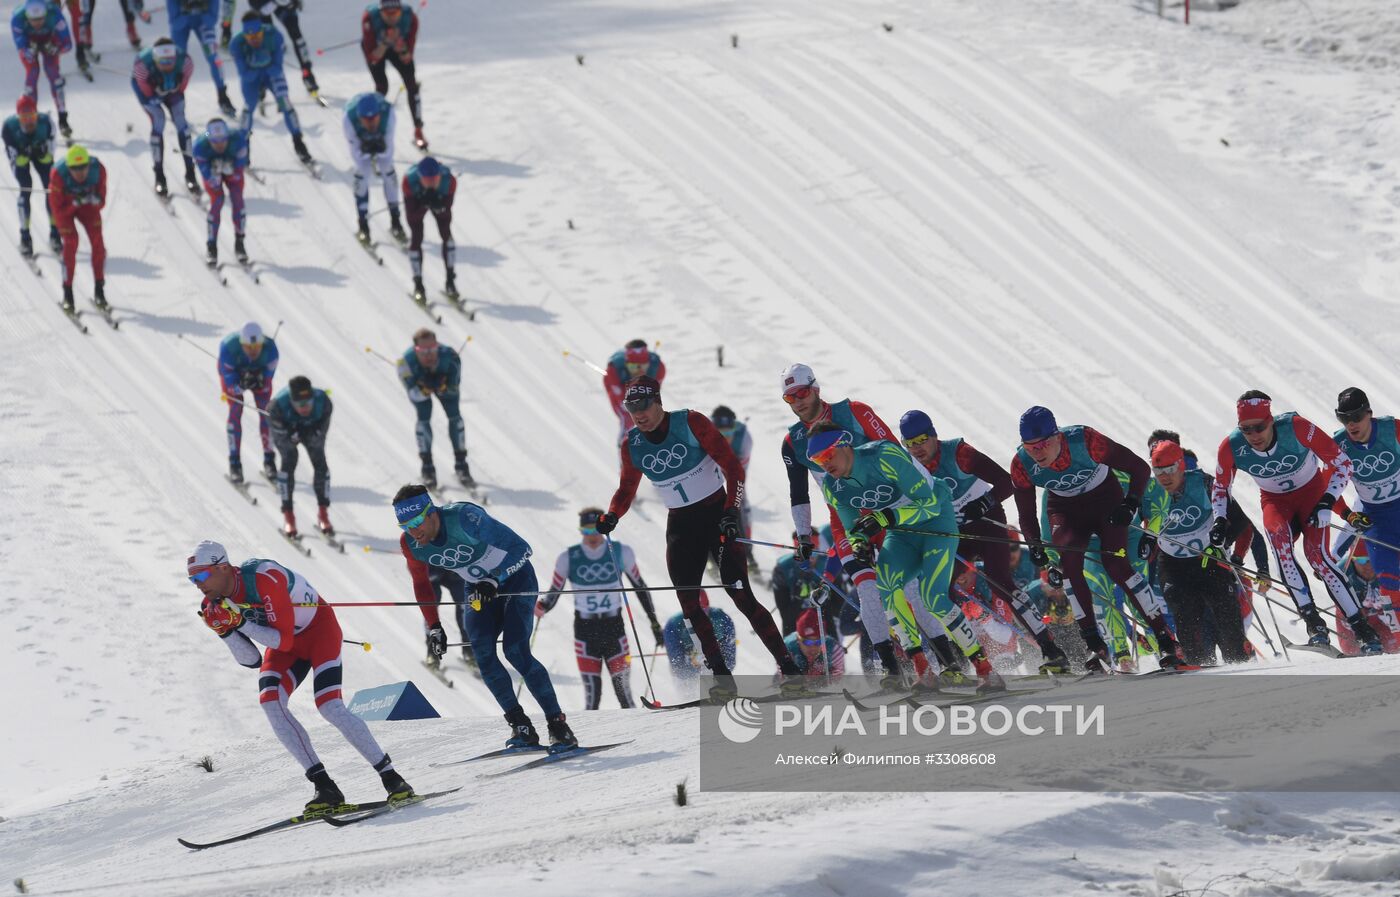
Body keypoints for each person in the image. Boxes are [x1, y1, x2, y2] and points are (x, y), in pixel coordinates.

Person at [597, 376, 802, 698]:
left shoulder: (691, 422)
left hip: (716, 517)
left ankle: (791, 671)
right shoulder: (631, 445)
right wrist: (612, 515)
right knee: (690, 606)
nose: (638, 414)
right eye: (631, 408)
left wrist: (731, 512)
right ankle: (723, 681)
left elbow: (733, 468)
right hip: (680, 526)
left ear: (658, 401)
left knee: (742, 596)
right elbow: (626, 490)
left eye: (644, 406)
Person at [189, 539, 415, 810]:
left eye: (200, 576)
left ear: (223, 567)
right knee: (270, 702)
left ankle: (392, 779)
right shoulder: (213, 603)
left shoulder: (263, 577)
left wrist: (240, 622)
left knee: (329, 706)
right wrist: (224, 632)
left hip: (319, 633)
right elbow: (251, 660)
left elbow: (282, 641)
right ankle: (325, 787)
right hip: (283, 646)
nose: (197, 584)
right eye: (192, 579)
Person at [806, 421, 1004, 690]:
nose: (825, 464)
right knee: (886, 585)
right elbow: (853, 528)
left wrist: (887, 517)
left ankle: (986, 670)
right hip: (901, 532)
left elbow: (930, 504)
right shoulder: (833, 486)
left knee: (933, 597)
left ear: (844, 444)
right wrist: (859, 544)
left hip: (935, 522)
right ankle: (923, 671)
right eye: (817, 460)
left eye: (828, 455)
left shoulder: (883, 455)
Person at [779, 363, 944, 684]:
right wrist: (804, 536)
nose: (798, 401)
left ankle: (950, 661)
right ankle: (894, 672)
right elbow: (798, 493)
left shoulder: (854, 412)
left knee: (911, 588)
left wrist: (922, 499)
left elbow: (898, 455)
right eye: (790, 397)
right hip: (846, 519)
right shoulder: (792, 441)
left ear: (815, 389)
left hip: (888, 506)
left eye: (802, 393)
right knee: (869, 593)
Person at [394, 485, 579, 751]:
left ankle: (558, 725)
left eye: (415, 522)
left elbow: (522, 549)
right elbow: (421, 583)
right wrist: (434, 625)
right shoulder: (410, 544)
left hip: (515, 579)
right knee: (482, 653)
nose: (412, 531)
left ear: (431, 512)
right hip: (478, 587)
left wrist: (494, 578)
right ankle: (520, 726)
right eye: (404, 526)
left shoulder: (464, 518)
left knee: (515, 651)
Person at [1010, 405, 1182, 672]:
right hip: (1065, 508)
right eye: (1030, 447)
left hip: (1104, 499)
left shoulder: (1086, 440)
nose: (1037, 453)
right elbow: (1026, 512)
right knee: (1069, 566)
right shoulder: (1021, 463)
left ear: (1057, 436)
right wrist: (1034, 543)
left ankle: (1166, 641)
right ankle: (1095, 646)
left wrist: (1130, 504)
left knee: (1117, 566)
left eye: (1042, 444)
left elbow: (1139, 468)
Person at [899, 409, 1070, 674]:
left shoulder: (959, 453)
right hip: (955, 533)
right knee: (936, 591)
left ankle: (1051, 649)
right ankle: (959, 661)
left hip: (986, 522)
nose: (916, 448)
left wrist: (984, 503)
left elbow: (1007, 481)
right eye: (909, 443)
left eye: (921, 440)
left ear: (933, 435)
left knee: (1000, 582)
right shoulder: (908, 468)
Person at [1211, 390, 1381, 653]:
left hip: (1311, 494)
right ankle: (1314, 625)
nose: (1254, 435)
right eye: (1246, 429)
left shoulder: (1297, 428)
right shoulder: (1231, 446)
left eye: (1259, 427)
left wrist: (1328, 500)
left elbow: (1343, 464)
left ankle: (1363, 629)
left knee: (1318, 557)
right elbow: (1221, 488)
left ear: (1271, 421)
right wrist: (1219, 520)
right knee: (1279, 544)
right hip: (1276, 502)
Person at [535, 508, 663, 710]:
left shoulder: (621, 552)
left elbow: (640, 587)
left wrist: (653, 622)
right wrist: (543, 606)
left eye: (596, 530)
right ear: (580, 531)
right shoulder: (568, 558)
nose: (592, 536)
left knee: (624, 693)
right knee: (592, 697)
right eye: (586, 531)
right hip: (585, 631)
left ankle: (642, 729)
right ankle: (591, 731)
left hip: (614, 629)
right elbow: (554, 592)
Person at [1151, 440, 1254, 666]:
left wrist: (1221, 547)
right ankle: (1196, 664)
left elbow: (1240, 522)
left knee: (1225, 615)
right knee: (1184, 611)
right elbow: (1134, 526)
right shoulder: (1150, 491)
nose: (1164, 477)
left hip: (1208, 561)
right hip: (1173, 564)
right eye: (1158, 471)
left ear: (1181, 465)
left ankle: (1240, 660)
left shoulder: (1205, 484)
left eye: (1169, 469)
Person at [1332, 387, 1400, 621]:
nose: (1351, 424)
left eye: (1357, 417)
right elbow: (1326, 489)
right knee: (1389, 582)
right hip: (1376, 519)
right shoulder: (1338, 445)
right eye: (1344, 419)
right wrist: (1347, 515)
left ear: (1369, 413)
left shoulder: (1392, 429)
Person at [227, 12, 311, 164]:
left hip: (271, 75)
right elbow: (245, 75)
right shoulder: (236, 44)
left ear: (262, 31)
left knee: (285, 103)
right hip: (253, 78)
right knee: (248, 107)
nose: (254, 40)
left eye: (258, 35)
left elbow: (278, 69)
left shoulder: (274, 36)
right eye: (249, 36)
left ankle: (299, 142)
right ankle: (244, 146)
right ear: (244, 35)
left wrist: (257, 63)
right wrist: (263, 62)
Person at [395, 327, 470, 489]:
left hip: (444, 385)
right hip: (421, 389)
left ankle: (461, 463)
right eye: (423, 351)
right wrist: (424, 389)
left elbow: (454, 388)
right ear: (415, 349)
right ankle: (427, 467)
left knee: (455, 417)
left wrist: (443, 387)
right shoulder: (404, 363)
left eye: (432, 349)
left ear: (438, 345)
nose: (428, 354)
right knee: (423, 417)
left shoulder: (451, 357)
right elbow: (413, 393)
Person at [130, 37, 199, 197]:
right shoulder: (142, 67)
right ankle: (159, 175)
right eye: (163, 62)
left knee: (182, 124)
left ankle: (190, 173)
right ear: (155, 59)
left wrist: (172, 89)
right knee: (159, 120)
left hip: (172, 90)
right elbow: (146, 93)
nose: (167, 65)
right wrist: (155, 94)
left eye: (170, 61)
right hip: (147, 91)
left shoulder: (186, 63)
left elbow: (181, 89)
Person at [269, 375, 333, 540]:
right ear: (292, 401)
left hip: (311, 428)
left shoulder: (323, 402)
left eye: (308, 403)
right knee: (290, 459)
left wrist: (314, 432)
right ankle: (289, 515)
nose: (305, 408)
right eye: (300, 404)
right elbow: (275, 425)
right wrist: (288, 433)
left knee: (320, 463)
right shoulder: (277, 406)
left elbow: (323, 427)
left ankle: (323, 513)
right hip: (287, 431)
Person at [218, 320, 279, 484]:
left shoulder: (271, 351)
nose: (253, 351)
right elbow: (230, 386)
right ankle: (235, 464)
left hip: (259, 372)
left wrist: (260, 380)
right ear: (241, 344)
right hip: (235, 374)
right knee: (235, 409)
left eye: (256, 347)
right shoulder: (228, 348)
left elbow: (267, 381)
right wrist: (241, 385)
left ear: (262, 344)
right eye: (248, 347)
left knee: (266, 412)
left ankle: (269, 460)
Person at [360, 0, 425, 149]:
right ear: (380, 12)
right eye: (387, 14)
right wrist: (385, 43)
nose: (392, 18)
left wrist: (401, 48)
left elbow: (407, 57)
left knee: (412, 85)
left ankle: (418, 129)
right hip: (377, 48)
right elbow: (372, 58)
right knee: (382, 87)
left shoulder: (411, 18)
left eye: (395, 14)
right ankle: (374, 129)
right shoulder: (369, 18)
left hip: (397, 47)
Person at [49, 144, 106, 312]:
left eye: (83, 167)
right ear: (68, 168)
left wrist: (95, 200)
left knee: (98, 242)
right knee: (71, 242)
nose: (80, 173)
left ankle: (99, 289)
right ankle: (67, 292)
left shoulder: (98, 171)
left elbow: (102, 202)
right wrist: (74, 202)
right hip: (66, 206)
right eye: (75, 169)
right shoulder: (58, 176)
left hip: (87, 205)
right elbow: (57, 211)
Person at [221, 0, 318, 96]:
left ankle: (307, 73)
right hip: (261, 4)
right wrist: (226, 28)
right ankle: (262, 79)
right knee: (264, 38)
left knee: (296, 35)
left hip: (281, 4)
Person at [2, 94, 59, 257]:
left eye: (32, 116)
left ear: (37, 114)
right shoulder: (9, 128)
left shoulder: (46, 123)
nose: (29, 122)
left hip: (41, 156)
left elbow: (50, 154)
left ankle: (55, 234)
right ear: (18, 117)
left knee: (51, 190)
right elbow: (15, 160)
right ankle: (25, 237)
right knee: (25, 189)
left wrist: (42, 152)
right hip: (21, 159)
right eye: (24, 118)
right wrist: (24, 154)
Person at [343, 91, 402, 246]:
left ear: (379, 115)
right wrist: (365, 150)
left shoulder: (388, 115)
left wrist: (381, 148)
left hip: (381, 140)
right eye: (366, 120)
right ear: (359, 118)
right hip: (360, 143)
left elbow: (389, 151)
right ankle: (363, 225)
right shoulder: (349, 120)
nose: (371, 124)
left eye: (374, 119)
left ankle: (396, 221)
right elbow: (356, 154)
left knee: (388, 169)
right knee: (362, 173)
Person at [192, 117, 249, 266]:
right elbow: (206, 173)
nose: (220, 145)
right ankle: (211, 246)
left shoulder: (237, 138)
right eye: (215, 142)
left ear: (227, 136)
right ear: (209, 139)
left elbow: (239, 170)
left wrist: (231, 171)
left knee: (238, 200)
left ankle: (240, 242)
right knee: (217, 201)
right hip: (213, 169)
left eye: (223, 141)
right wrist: (214, 177)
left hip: (231, 168)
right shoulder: (200, 144)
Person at [11, 1, 70, 137]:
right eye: (33, 20)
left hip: (50, 41)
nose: (37, 24)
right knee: (32, 73)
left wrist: (56, 49)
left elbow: (68, 44)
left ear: (46, 14)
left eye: (41, 19)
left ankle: (63, 118)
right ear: (27, 17)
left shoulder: (55, 14)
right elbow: (20, 46)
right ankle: (31, 118)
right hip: (29, 43)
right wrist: (28, 50)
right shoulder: (17, 18)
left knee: (53, 74)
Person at [402, 156, 456, 303]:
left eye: (435, 179)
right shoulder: (409, 181)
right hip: (416, 199)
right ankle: (418, 284)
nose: (432, 183)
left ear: (440, 176)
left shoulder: (449, 181)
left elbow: (446, 210)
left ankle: (450, 280)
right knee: (417, 237)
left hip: (438, 197)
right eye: (427, 180)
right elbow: (413, 216)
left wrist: (440, 206)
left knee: (447, 235)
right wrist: (423, 204)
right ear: (420, 178)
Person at [167, 0, 235, 115]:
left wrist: (195, 10)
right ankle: (175, 96)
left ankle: (222, 94)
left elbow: (211, 21)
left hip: (203, 22)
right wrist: (189, 11)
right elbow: (175, 23)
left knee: (214, 57)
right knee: (177, 60)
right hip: (182, 22)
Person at [662, 591, 735, 680]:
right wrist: (697, 666)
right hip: (688, 677)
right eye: (693, 613)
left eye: (704, 611)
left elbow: (730, 660)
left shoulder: (722, 619)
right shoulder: (673, 625)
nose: (699, 618)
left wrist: (715, 665)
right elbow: (678, 668)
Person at [603, 340, 665, 444]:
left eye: (643, 365)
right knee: (628, 415)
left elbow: (655, 396)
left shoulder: (658, 368)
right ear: (627, 364)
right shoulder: (613, 371)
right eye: (633, 367)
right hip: (620, 389)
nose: (639, 371)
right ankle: (624, 444)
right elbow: (623, 401)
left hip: (642, 389)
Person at [784, 607, 844, 678]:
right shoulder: (787, 648)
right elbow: (782, 675)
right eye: (807, 642)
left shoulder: (834, 649)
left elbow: (838, 675)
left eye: (819, 642)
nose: (813, 647)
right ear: (798, 639)